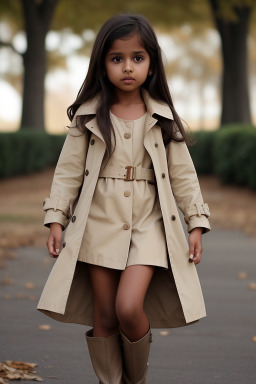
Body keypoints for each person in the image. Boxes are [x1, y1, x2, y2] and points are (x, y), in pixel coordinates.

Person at [37, 13, 211, 384]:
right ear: (103, 63)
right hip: (99, 222)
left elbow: (183, 176)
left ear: (151, 64)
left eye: (137, 58)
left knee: (129, 307)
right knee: (105, 316)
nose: (127, 67)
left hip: (150, 224)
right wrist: (56, 219)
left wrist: (196, 223)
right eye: (117, 58)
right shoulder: (88, 117)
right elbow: (67, 172)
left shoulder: (163, 119)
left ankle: (136, 379)